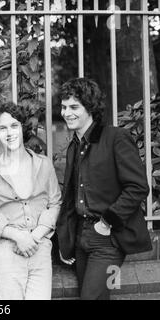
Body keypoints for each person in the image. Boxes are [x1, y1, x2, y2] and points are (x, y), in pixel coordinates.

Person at [56, 77, 152, 300]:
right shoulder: (74, 146)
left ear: (89, 107)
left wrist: (107, 222)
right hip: (81, 237)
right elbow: (70, 199)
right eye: (63, 107)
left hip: (108, 238)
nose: (66, 113)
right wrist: (66, 241)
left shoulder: (116, 138)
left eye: (73, 107)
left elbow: (138, 187)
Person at [0, 102, 61, 300]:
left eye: (14, 126)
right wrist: (16, 235)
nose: (9, 132)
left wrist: (34, 236)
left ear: (23, 128)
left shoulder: (44, 164)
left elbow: (55, 203)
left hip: (39, 247)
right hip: (7, 251)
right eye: (3, 128)